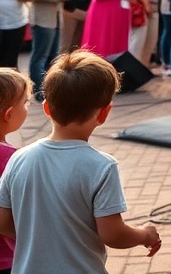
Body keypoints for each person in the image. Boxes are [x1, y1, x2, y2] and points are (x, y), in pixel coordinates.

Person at [0, 51, 161, 272]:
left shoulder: (18, 158)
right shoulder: (103, 167)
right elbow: (113, 234)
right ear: (104, 114)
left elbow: (3, 221)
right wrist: (145, 234)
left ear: (46, 108)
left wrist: (41, 235)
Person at [0, 68, 31, 274]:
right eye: (26, 103)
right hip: (8, 260)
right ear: (9, 114)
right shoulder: (13, 159)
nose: (28, 107)